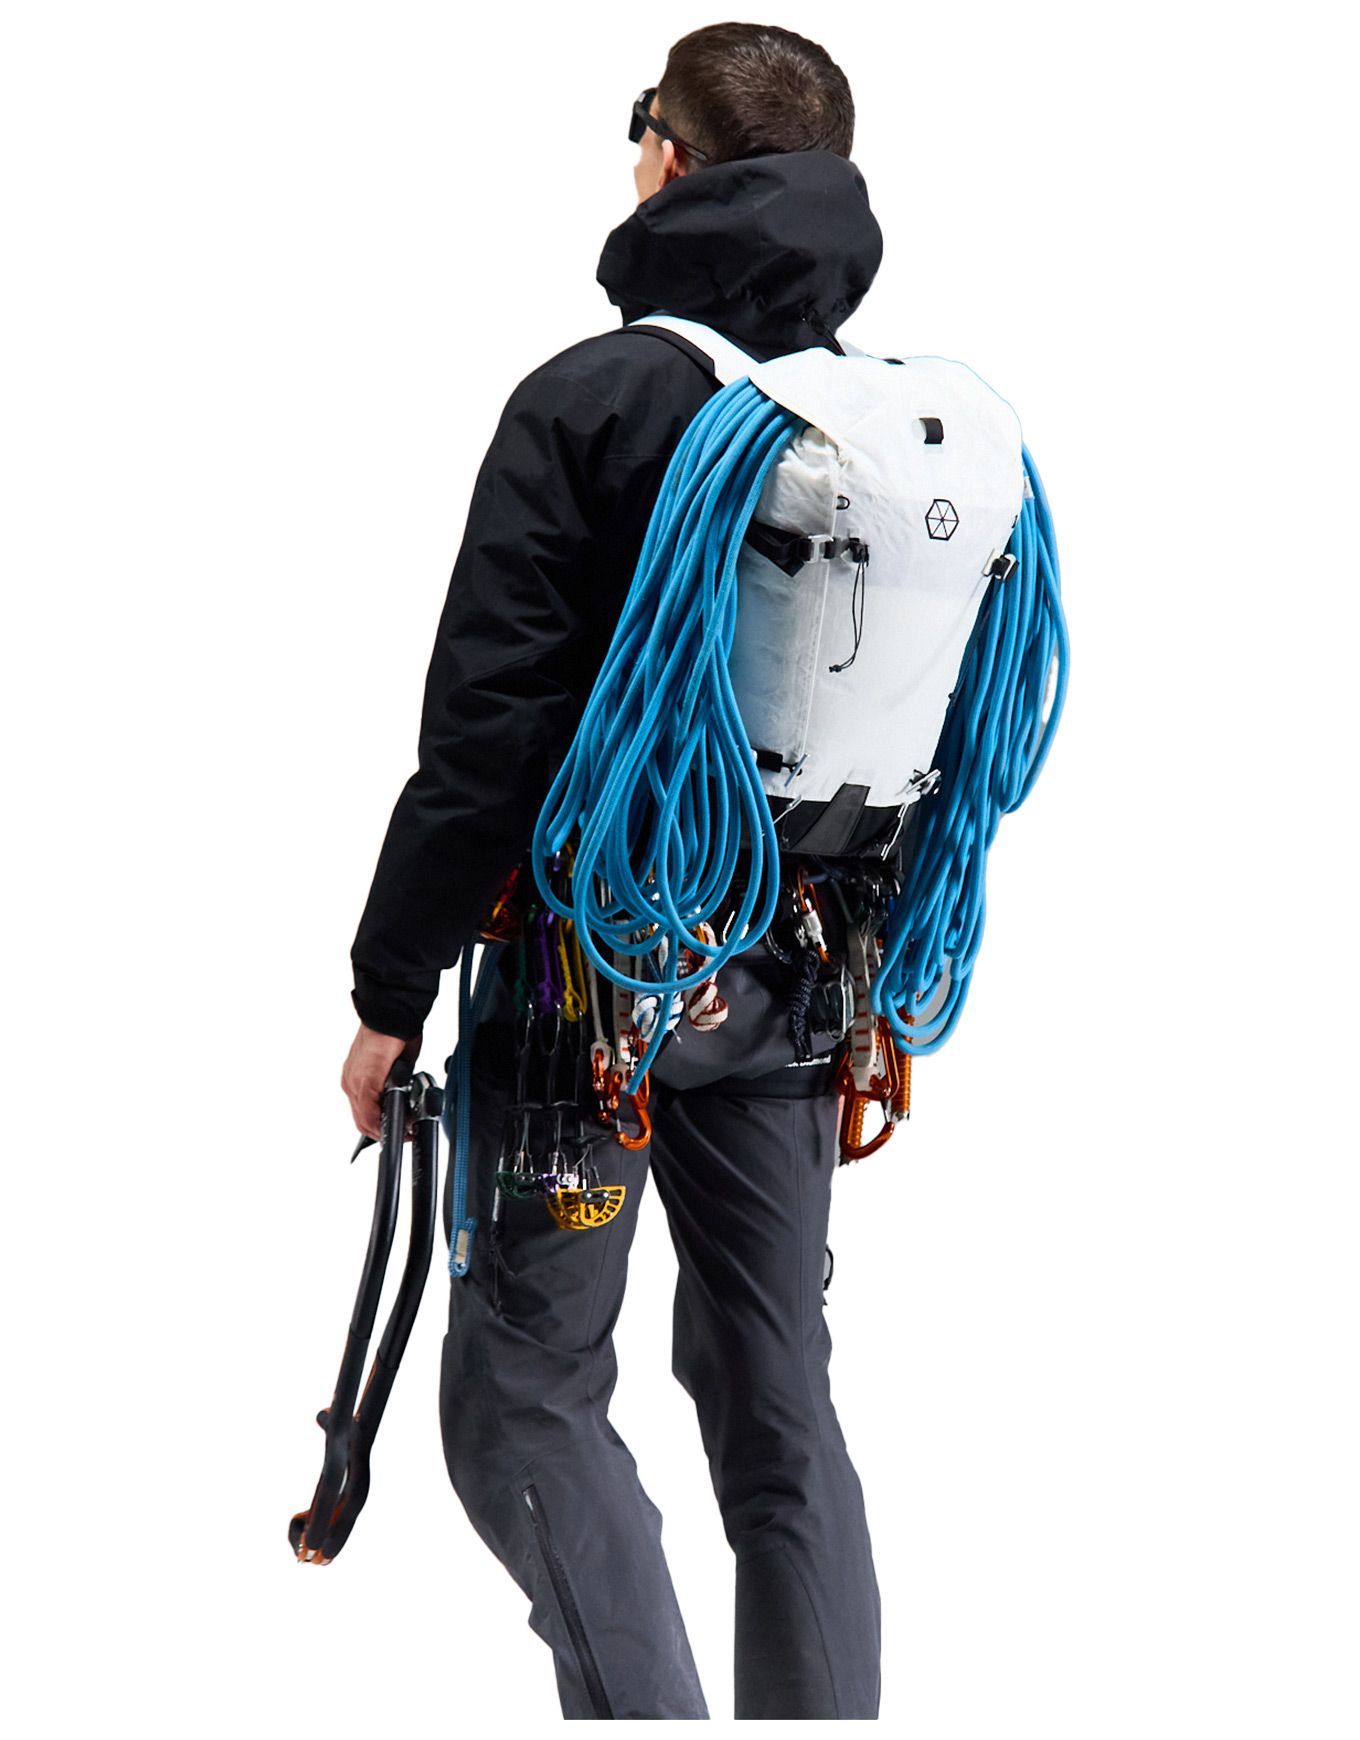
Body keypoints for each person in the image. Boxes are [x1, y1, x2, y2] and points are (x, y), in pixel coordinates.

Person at [341, 23, 885, 1720]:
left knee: (523, 1394)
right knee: (778, 1400)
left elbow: (486, 741)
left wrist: (388, 989)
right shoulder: (884, 422)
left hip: (596, 992)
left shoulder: (594, 399)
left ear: (669, 157)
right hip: (802, 978)